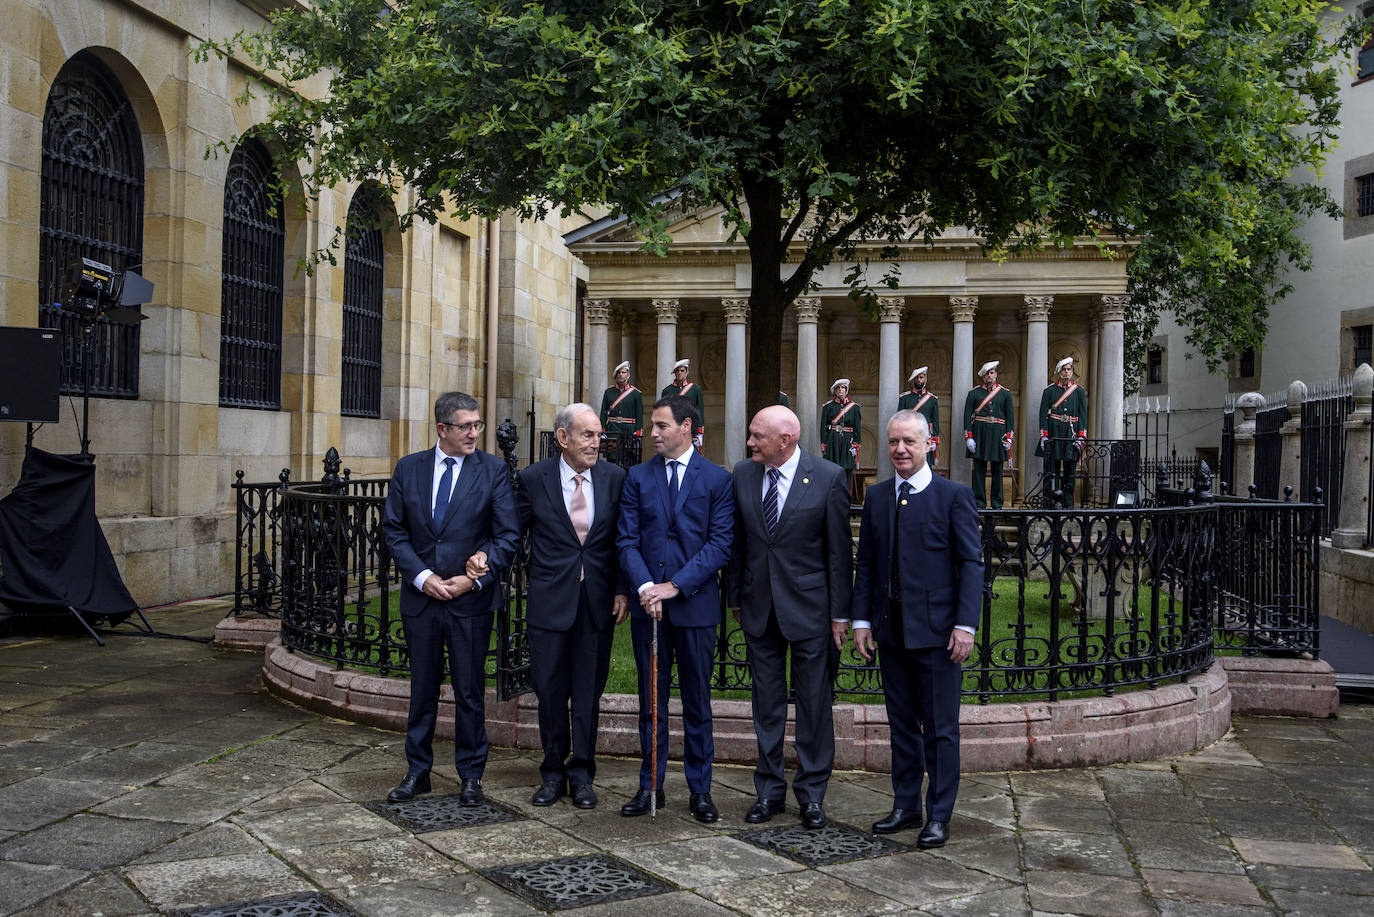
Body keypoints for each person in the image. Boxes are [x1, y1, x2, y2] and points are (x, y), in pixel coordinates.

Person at [847, 409, 982, 849]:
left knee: (941, 728)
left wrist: (965, 626)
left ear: (930, 445)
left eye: (909, 441)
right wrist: (863, 620)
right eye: (892, 442)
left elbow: (970, 565)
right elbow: (866, 562)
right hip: (891, 633)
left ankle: (939, 814)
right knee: (901, 724)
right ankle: (906, 805)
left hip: (940, 636)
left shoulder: (953, 496)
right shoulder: (879, 497)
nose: (900, 450)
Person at [382, 391, 520, 805]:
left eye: (478, 425)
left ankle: (471, 775)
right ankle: (417, 771)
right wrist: (422, 577)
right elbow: (394, 530)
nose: (475, 433)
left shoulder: (493, 471)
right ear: (442, 428)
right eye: (466, 426)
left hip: (470, 602)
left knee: (469, 691)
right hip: (422, 600)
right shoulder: (409, 469)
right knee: (422, 689)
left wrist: (475, 574)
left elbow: (508, 535)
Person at [727, 406, 852, 829]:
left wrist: (840, 615)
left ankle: (812, 794)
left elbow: (838, 554)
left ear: (785, 440)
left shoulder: (830, 477)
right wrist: (735, 601)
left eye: (757, 435)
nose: (749, 442)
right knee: (766, 705)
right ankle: (769, 792)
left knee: (814, 706)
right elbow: (739, 544)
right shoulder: (743, 474)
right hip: (759, 609)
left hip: (811, 612)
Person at [617, 395, 734, 823]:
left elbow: (720, 544)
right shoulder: (637, 477)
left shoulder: (717, 480)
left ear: (686, 427)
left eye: (661, 426)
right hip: (650, 609)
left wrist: (675, 587)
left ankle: (700, 790)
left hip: (695, 608)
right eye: (652, 426)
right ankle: (651, 784)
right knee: (652, 702)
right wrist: (647, 587)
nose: (653, 433)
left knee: (698, 703)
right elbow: (626, 540)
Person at [516, 404, 629, 809]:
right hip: (550, 602)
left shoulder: (615, 479)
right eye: (588, 435)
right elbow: (514, 535)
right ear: (563, 438)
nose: (597, 443)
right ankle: (551, 773)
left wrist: (621, 588)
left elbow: (623, 541)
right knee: (549, 691)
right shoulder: (533, 480)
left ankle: (582, 774)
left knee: (586, 693)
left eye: (599, 435)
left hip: (596, 604)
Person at [1036, 356, 1088, 508]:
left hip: (1071, 433)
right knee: (1053, 470)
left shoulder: (1078, 392)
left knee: (1070, 470)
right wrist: (1044, 436)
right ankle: (1052, 501)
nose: (1067, 372)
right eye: (1064, 370)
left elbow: (1082, 415)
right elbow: (1042, 414)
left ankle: (1068, 503)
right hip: (1055, 431)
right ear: (1059, 372)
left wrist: (1081, 436)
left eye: (1069, 369)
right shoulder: (1050, 391)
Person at [962, 361, 1015, 509]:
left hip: (998, 436)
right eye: (986, 373)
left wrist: (1009, 438)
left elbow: (1010, 418)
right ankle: (979, 503)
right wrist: (969, 437)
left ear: (996, 374)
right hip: (979, 434)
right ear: (983, 376)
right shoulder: (974, 393)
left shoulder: (1005, 394)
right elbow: (967, 416)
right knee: (979, 471)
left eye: (991, 373)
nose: (989, 376)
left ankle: (997, 504)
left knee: (998, 471)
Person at [819, 379, 861, 497]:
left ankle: (845, 496)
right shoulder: (828, 407)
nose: (840, 390)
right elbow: (823, 428)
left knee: (847, 469)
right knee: (831, 468)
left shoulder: (854, 408)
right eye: (838, 388)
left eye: (842, 387)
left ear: (846, 390)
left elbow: (857, 429)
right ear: (835, 391)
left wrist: (856, 444)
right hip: (833, 440)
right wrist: (824, 444)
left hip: (848, 441)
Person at [897, 366, 940, 465]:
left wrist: (935, 440)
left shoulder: (932, 399)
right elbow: (899, 420)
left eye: (921, 377)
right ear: (913, 380)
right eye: (917, 378)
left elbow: (935, 421)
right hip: (909, 434)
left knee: (926, 464)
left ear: (925, 379)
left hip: (925, 436)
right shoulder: (905, 398)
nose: (919, 380)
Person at [661, 358, 706, 451]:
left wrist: (699, 431)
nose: (680, 373)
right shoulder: (667, 391)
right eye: (677, 371)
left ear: (687, 372)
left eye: (682, 370)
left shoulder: (695, 389)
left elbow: (699, 410)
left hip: (690, 427)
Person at [599, 361, 643, 440]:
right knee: (612, 452)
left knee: (628, 452)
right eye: (619, 373)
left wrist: (638, 431)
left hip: (630, 430)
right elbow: (603, 413)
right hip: (612, 429)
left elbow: (639, 415)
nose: (621, 375)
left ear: (628, 375)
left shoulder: (636, 393)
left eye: (623, 372)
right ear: (616, 376)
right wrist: (603, 430)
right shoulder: (609, 392)